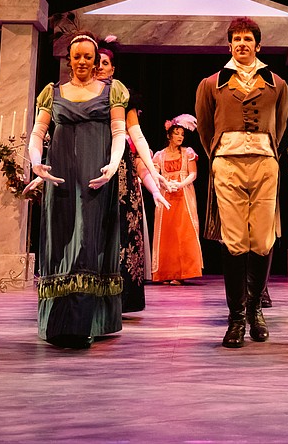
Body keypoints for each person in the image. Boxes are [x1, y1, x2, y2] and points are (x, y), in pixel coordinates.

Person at [27, 32, 128, 349]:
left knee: (87, 243)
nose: (83, 62)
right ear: (69, 60)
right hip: (61, 179)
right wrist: (35, 163)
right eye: (77, 56)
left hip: (94, 176)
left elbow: (119, 132)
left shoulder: (112, 91)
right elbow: (37, 133)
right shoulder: (52, 93)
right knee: (62, 243)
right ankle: (59, 324)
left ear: (97, 60)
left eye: (89, 57)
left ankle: (84, 323)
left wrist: (113, 165)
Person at [195, 16, 288, 348]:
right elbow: (206, 128)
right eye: (236, 39)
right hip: (227, 163)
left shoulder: (277, 83)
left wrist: (261, 149)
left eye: (248, 39)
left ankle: (255, 311)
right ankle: (236, 319)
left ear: (258, 44)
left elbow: (280, 126)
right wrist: (222, 153)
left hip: (264, 162)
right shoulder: (212, 83)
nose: (242, 44)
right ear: (230, 44)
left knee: (262, 240)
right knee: (235, 240)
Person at [95, 42, 171, 313]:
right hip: (91, 163)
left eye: (105, 63)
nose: (99, 67)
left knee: (122, 231)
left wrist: (153, 173)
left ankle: (122, 297)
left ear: (113, 68)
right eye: (96, 62)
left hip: (122, 174)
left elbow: (136, 136)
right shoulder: (80, 93)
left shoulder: (123, 95)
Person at [151, 114, 204, 285]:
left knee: (183, 233)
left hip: (184, 197)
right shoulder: (159, 155)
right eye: (177, 133)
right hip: (166, 197)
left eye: (182, 134)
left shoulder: (188, 153)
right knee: (167, 234)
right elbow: (155, 175)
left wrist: (180, 184)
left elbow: (193, 174)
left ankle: (181, 273)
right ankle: (166, 273)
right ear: (169, 136)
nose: (180, 136)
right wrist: (166, 185)